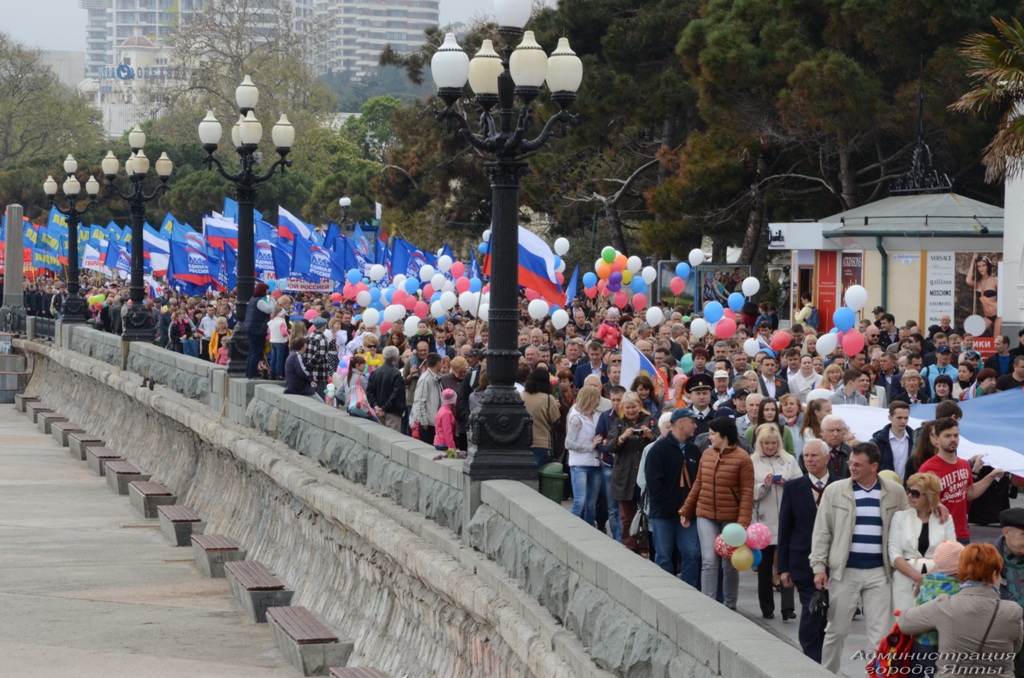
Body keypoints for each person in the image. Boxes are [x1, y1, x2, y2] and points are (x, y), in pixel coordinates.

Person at [810, 442, 909, 673]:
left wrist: (938, 507)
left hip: (880, 573)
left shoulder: (895, 492)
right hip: (844, 572)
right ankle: (826, 673)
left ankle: (877, 676)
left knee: (880, 634)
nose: (851, 468)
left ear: (874, 466)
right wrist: (818, 567)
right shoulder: (835, 491)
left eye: (857, 464)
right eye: (850, 463)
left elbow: (909, 523)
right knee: (836, 630)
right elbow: (822, 531)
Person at [898, 543, 1023, 677]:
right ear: (994, 574)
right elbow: (1015, 649)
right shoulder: (1013, 611)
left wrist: (920, 600)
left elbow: (905, 624)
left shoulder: (944, 605)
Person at [679, 417, 754, 610]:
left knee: (729, 564)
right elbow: (698, 484)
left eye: (713, 434)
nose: (709, 437)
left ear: (724, 435)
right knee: (709, 560)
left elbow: (747, 492)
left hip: (731, 518)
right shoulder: (707, 454)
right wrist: (686, 509)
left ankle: (730, 606)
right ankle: (708, 605)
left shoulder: (743, 458)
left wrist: (743, 523)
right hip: (705, 513)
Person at [779, 440, 836, 663]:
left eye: (814, 456)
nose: (809, 460)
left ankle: (824, 655)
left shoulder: (840, 485)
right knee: (812, 608)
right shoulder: (794, 487)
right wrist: (782, 567)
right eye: (806, 456)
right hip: (802, 560)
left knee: (828, 611)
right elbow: (785, 527)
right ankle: (811, 657)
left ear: (827, 458)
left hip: (834, 562)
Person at [918, 417, 1004, 545]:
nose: (953, 439)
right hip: (938, 534)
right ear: (936, 439)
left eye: (956, 435)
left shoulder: (964, 464)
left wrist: (991, 476)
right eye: (947, 436)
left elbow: (969, 493)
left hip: (961, 532)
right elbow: (919, 502)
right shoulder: (927, 468)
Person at [644, 407, 703, 587]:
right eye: (692, 422)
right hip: (663, 513)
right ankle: (666, 592)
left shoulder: (694, 450)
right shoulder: (658, 449)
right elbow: (654, 484)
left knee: (691, 554)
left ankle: (690, 593)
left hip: (688, 514)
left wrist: (688, 509)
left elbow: (699, 481)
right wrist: (674, 507)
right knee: (663, 555)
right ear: (680, 423)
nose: (695, 426)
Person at [750, 424, 801, 620]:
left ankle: (788, 607)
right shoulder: (752, 462)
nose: (770, 447)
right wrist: (765, 486)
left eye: (773, 443)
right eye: (766, 443)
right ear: (759, 444)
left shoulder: (788, 460)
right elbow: (749, 491)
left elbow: (800, 484)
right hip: (763, 520)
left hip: (786, 518)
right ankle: (767, 608)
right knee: (764, 567)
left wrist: (786, 485)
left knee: (786, 565)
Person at [888, 473, 957, 614]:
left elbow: (952, 553)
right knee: (902, 623)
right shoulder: (900, 517)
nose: (909, 496)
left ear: (929, 496)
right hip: (905, 579)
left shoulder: (946, 519)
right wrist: (918, 577)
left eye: (915, 493)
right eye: (908, 491)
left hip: (937, 580)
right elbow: (894, 555)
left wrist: (928, 579)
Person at [606, 391, 657, 553]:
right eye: (627, 407)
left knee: (646, 514)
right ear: (622, 408)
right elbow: (610, 447)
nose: (630, 411)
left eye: (633, 406)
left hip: (645, 475)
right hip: (624, 476)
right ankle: (630, 547)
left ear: (640, 406)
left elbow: (660, 445)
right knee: (627, 516)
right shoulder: (619, 423)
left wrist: (650, 436)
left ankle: (645, 547)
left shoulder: (650, 421)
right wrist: (622, 438)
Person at [907, 540, 964, 677]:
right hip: (942, 643)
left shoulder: (927, 582)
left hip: (921, 641)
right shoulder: (957, 588)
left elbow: (917, 605)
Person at [564, 385, 602, 526]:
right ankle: (573, 529)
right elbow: (568, 443)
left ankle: (590, 529)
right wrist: (590, 446)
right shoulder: (576, 418)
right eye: (597, 397)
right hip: (579, 464)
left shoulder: (596, 415)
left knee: (591, 504)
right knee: (579, 501)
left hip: (595, 462)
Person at [522, 366, 561, 467]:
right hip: (541, 443)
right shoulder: (548, 399)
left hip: (522, 441)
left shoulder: (520, 396)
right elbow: (556, 421)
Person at [872, 401, 915, 481]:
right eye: (899, 417)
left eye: (906, 418)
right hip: (884, 487)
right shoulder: (877, 443)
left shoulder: (915, 441)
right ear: (890, 417)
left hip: (908, 488)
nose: (903, 421)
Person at [366, 345, 406, 431]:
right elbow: (396, 394)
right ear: (395, 359)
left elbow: (369, 391)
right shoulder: (396, 374)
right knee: (392, 437)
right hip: (393, 411)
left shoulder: (375, 372)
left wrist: (375, 405)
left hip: (379, 410)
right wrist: (384, 407)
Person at [411, 353, 444, 445]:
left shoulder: (434, 377)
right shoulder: (426, 379)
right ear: (438, 363)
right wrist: (423, 420)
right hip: (428, 423)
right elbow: (419, 400)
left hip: (433, 421)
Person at [966, 254, 1000, 338]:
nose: (981, 268)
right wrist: (973, 261)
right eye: (979, 266)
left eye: (983, 265)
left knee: (996, 340)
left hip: (998, 315)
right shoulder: (977, 283)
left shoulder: (995, 280)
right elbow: (968, 280)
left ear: (988, 266)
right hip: (988, 316)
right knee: (973, 333)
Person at [819, 414, 852, 478]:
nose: (835, 434)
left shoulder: (852, 452)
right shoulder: (812, 452)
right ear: (822, 433)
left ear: (844, 432)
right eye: (831, 430)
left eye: (839, 430)